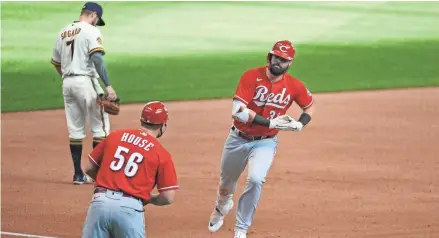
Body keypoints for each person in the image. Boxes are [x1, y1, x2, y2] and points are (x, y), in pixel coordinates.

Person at [208, 40, 316, 238]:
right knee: (227, 183)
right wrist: (272, 123)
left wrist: (301, 123)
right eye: (276, 57)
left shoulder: (294, 86)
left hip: (265, 142)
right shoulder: (251, 76)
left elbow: (309, 106)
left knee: (256, 179)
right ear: (270, 57)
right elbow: (238, 112)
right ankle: (222, 206)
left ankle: (241, 228)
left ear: (289, 63)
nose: (278, 62)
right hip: (237, 138)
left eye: (284, 60)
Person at [82, 101, 179, 238]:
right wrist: (150, 199)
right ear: (163, 125)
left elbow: (90, 168)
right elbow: (168, 197)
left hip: (100, 202)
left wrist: (109, 180)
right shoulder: (161, 154)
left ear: (141, 120)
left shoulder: (115, 136)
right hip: (129, 208)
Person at [50, 2, 117, 184]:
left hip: (67, 84)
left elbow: (56, 62)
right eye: (97, 20)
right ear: (93, 15)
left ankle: (78, 174)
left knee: (75, 130)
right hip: (86, 82)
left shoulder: (62, 32)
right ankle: (99, 174)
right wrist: (108, 86)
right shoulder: (90, 30)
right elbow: (96, 58)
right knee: (100, 128)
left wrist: (68, 76)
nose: (96, 23)